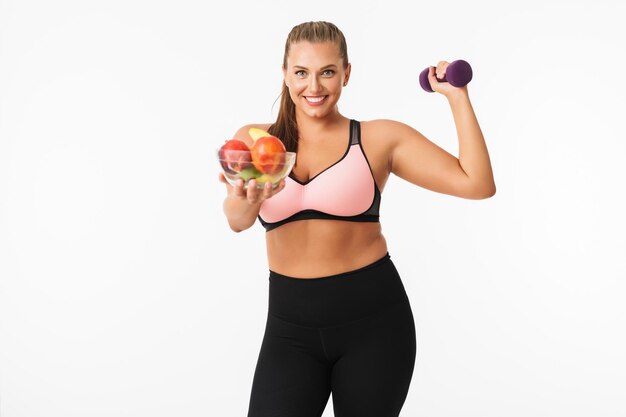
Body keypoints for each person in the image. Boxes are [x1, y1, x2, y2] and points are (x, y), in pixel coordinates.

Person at [218, 20, 495, 417]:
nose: (313, 88)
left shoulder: (378, 139)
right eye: (301, 73)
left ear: (346, 73)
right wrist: (249, 198)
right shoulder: (257, 141)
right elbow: (237, 220)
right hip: (288, 332)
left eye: (327, 72)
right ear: (284, 73)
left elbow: (477, 183)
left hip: (375, 328)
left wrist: (457, 97)